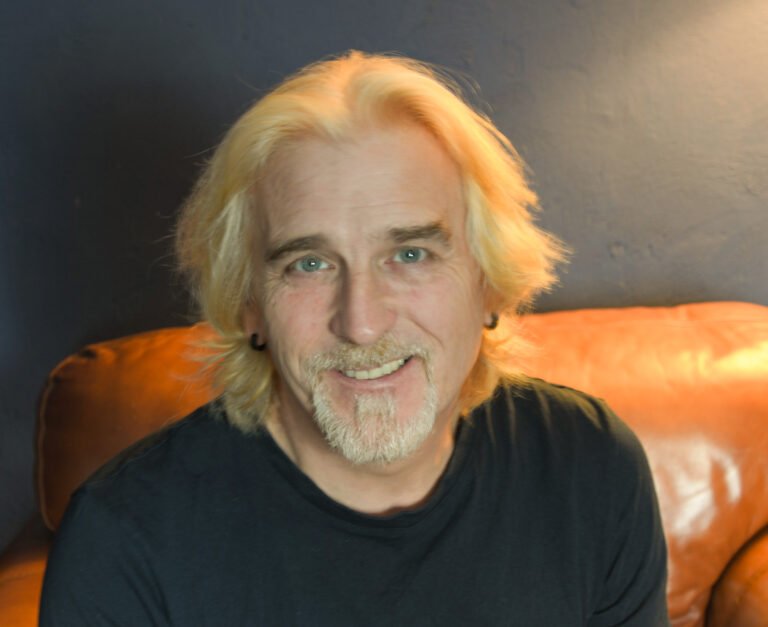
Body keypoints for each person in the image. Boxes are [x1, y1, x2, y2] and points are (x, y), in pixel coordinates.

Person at [40, 51, 669, 625]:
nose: (361, 322)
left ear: (489, 283)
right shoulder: (124, 541)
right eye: (309, 264)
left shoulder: (588, 466)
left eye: (412, 254)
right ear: (249, 304)